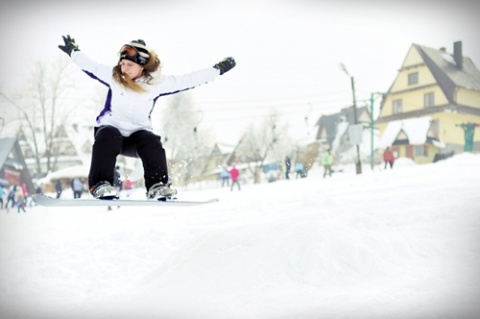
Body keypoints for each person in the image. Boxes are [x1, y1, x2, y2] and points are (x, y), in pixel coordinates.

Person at [58, 35, 236, 200]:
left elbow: (188, 80)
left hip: (136, 137)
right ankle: (100, 184)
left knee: (151, 141)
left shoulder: (156, 84)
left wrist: (217, 70)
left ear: (141, 66)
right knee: (108, 135)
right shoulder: (114, 77)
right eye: (122, 63)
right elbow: (90, 66)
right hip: (111, 132)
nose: (124, 68)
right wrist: (73, 50)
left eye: (129, 65)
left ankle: (157, 186)